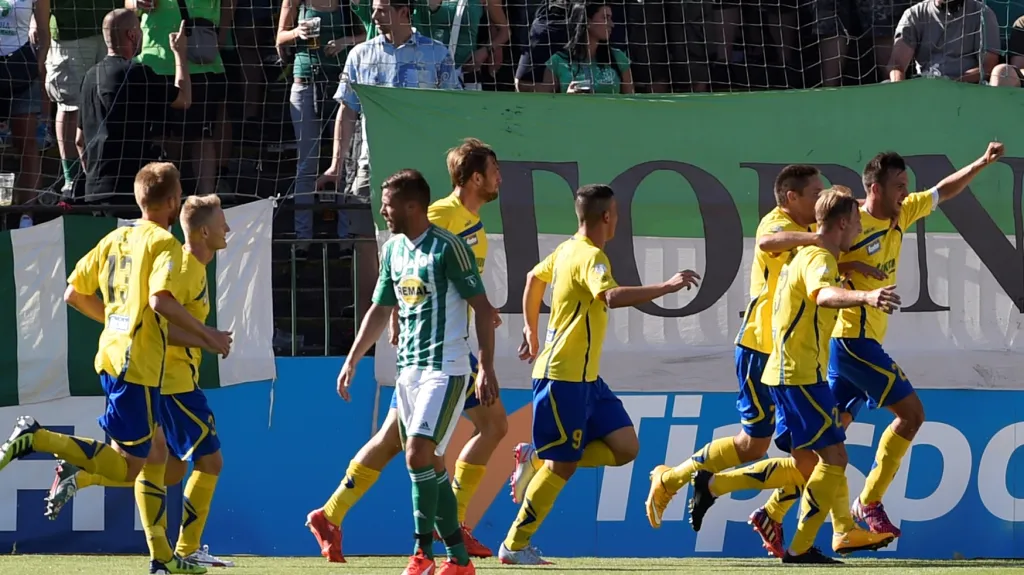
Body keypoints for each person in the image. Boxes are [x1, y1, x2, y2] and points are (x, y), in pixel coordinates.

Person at [731, 143, 1007, 540]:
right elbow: (816, 255)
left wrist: (980, 163)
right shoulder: (849, 220)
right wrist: (854, 275)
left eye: (906, 185)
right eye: (898, 185)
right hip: (852, 342)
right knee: (911, 415)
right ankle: (869, 502)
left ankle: (771, 513)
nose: (905, 192)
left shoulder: (903, 212)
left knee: (822, 450)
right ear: (874, 188)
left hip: (855, 344)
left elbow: (943, 191)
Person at [0, 162, 231, 574]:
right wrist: (208, 336)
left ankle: (163, 559)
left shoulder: (117, 236)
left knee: (158, 459)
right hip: (138, 366)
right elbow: (161, 301)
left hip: (112, 355)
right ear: (174, 201)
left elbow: (74, 292)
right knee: (131, 465)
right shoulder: (163, 245)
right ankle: (37, 437)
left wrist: (117, 321)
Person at [306, 139, 504, 561]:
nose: (499, 177)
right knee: (470, 434)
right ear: (474, 178)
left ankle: (333, 514)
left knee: (402, 443)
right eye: (495, 169)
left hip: (442, 350)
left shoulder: (472, 223)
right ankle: (451, 530)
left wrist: (482, 313)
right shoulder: (440, 216)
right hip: (432, 352)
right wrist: (397, 321)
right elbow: (408, 272)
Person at [683, 187, 896, 559]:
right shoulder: (819, 259)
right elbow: (822, 294)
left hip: (782, 373)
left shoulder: (802, 255)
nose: (862, 227)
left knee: (807, 465)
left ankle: (715, 484)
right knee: (835, 460)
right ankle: (800, 549)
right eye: (858, 221)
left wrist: (853, 273)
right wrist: (866, 296)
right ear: (843, 223)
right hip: (800, 376)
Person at [498, 184, 701, 566]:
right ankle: (514, 545)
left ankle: (538, 456)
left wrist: (530, 330)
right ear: (607, 217)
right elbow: (609, 296)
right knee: (565, 465)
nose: (618, 220)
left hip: (588, 379)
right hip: (562, 378)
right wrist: (667, 286)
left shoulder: (565, 249)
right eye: (617, 214)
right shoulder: (591, 257)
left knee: (626, 449)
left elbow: (532, 279)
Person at [316, 0, 460, 323]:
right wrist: (335, 164)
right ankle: (370, 329)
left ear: (403, 11)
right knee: (366, 241)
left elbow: (452, 109)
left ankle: (425, 318)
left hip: (424, 166)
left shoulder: (437, 54)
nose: (374, 16)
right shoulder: (360, 55)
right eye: (373, 9)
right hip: (371, 164)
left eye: (381, 9)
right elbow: (347, 111)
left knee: (425, 240)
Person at [78, 9, 192, 209]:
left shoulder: (89, 76)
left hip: (93, 191)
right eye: (139, 29)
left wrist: (93, 176)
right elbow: (184, 100)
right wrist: (180, 53)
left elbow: (79, 141)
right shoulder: (137, 73)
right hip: (129, 190)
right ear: (131, 34)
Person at [539, 1, 632, 94]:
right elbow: (547, 104)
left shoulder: (618, 58)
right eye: (605, 18)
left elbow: (631, 100)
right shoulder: (557, 61)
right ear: (587, 21)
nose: (612, 24)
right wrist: (567, 97)